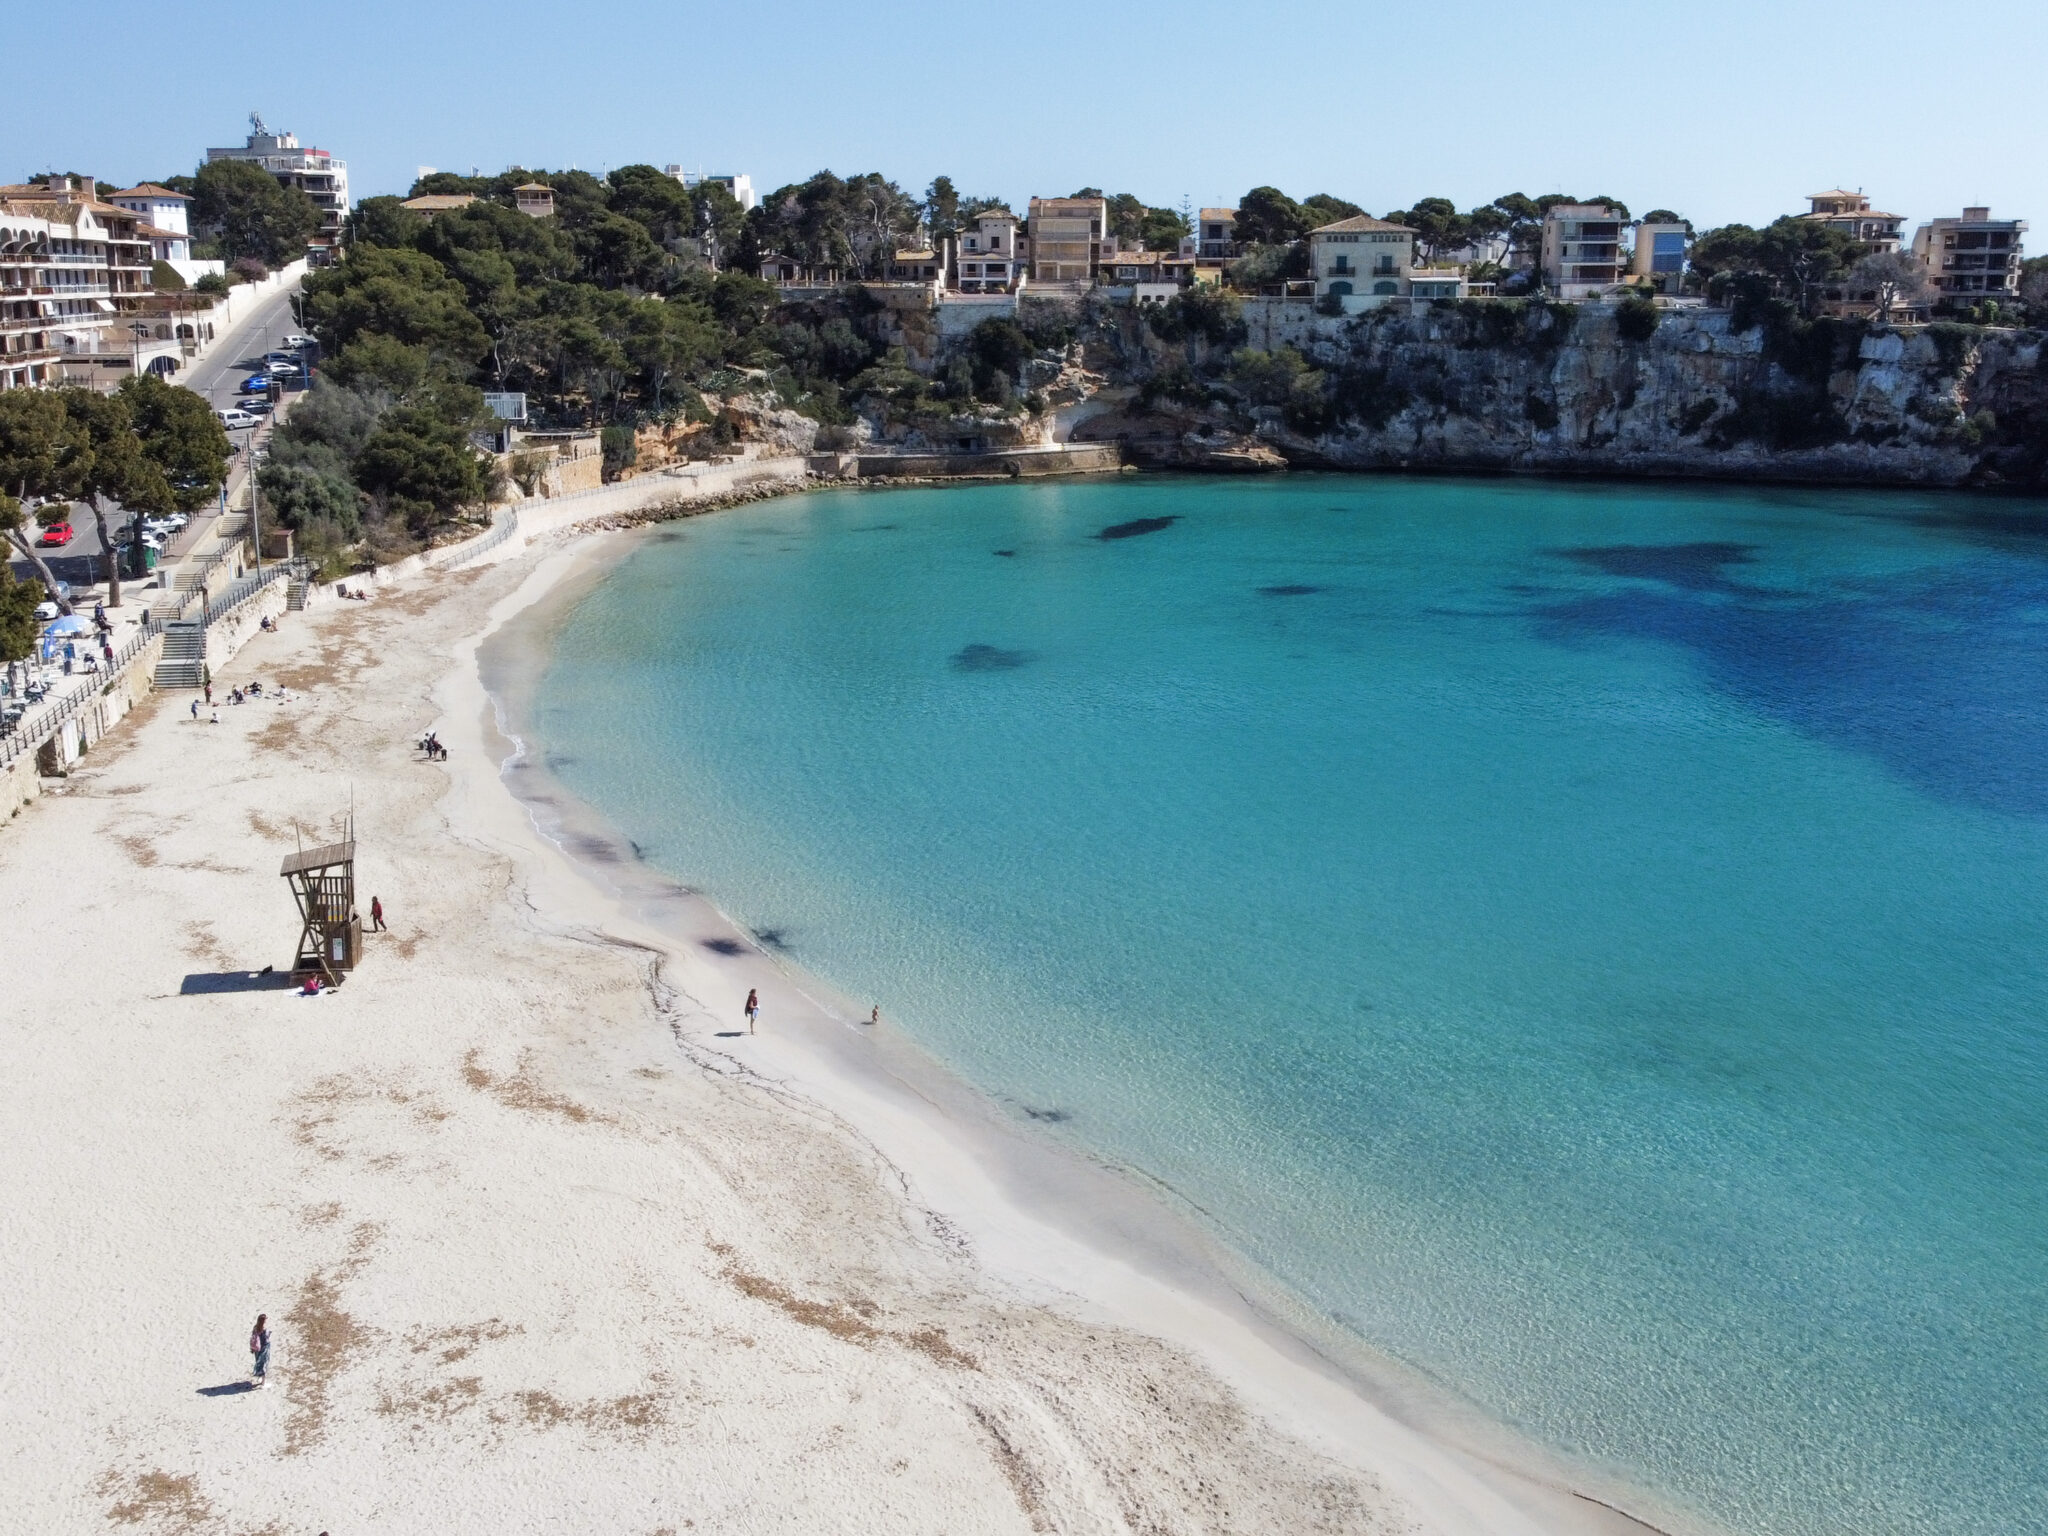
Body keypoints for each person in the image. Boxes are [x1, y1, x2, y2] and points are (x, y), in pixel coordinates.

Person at [249, 1315, 270, 1387]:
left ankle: (260, 1378)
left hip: (257, 1349)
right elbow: (266, 1339)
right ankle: (263, 1383)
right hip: (264, 1349)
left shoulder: (255, 1327)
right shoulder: (264, 1329)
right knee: (264, 1364)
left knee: (258, 1363)